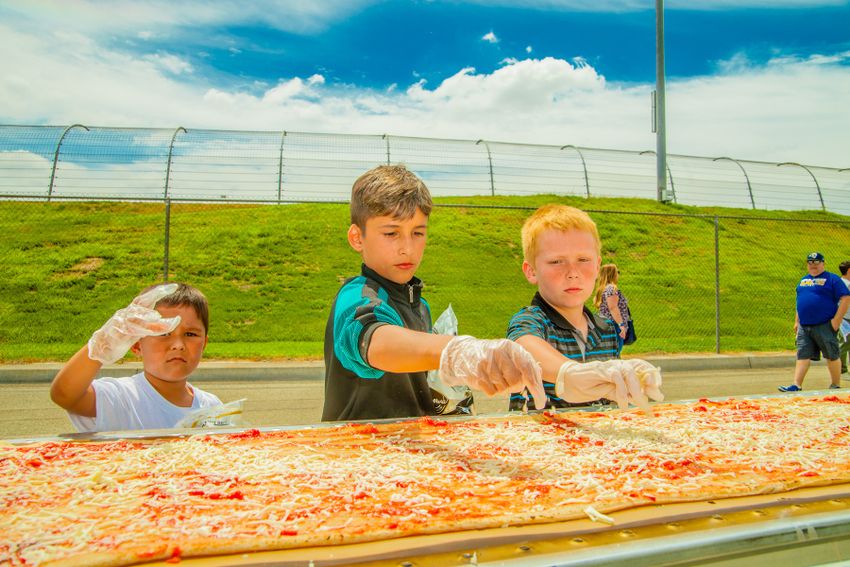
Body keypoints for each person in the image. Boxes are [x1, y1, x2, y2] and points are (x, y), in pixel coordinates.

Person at [322, 164, 545, 422]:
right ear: (357, 238)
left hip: (412, 450)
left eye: (418, 233)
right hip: (354, 452)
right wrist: (460, 352)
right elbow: (377, 341)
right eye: (391, 233)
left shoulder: (420, 305)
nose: (407, 247)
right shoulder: (355, 294)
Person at [506, 204, 663, 411]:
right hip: (538, 438)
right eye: (556, 261)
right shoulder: (531, 321)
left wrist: (634, 380)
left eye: (583, 260)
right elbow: (523, 345)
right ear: (531, 271)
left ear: (598, 266)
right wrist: (567, 372)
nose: (573, 272)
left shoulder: (607, 329)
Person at [50, 283, 223, 432]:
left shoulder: (213, 407)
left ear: (204, 343)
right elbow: (64, 395)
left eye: (191, 334)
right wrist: (101, 346)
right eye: (163, 332)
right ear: (136, 343)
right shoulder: (121, 398)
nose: (178, 344)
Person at [779, 252, 850, 392]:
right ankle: (796, 384)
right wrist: (796, 321)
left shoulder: (832, 279)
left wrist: (836, 321)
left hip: (824, 324)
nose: (813, 265)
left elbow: (845, 298)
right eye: (810, 263)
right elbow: (800, 302)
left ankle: (835, 384)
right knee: (802, 354)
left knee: (832, 354)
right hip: (805, 326)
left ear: (823, 263)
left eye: (816, 262)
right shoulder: (803, 280)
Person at [595, 263, 634, 349]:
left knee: (611, 350)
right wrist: (621, 325)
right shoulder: (612, 288)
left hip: (606, 324)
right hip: (614, 325)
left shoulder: (603, 289)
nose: (618, 275)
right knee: (616, 350)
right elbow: (613, 308)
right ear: (612, 274)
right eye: (617, 272)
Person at [839, 260, 850, 378]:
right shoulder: (846, 285)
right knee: (844, 343)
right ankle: (842, 370)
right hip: (846, 318)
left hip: (844, 317)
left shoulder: (839, 282)